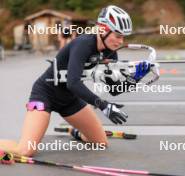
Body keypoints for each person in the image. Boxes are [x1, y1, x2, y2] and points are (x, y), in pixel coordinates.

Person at [0, 5, 150, 157]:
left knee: (100, 143)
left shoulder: (110, 53)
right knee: (26, 150)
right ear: (103, 30)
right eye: (118, 35)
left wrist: (135, 78)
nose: (120, 41)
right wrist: (102, 105)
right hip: (46, 95)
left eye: (123, 37)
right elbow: (73, 82)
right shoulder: (83, 43)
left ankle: (77, 132)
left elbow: (114, 90)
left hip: (70, 99)